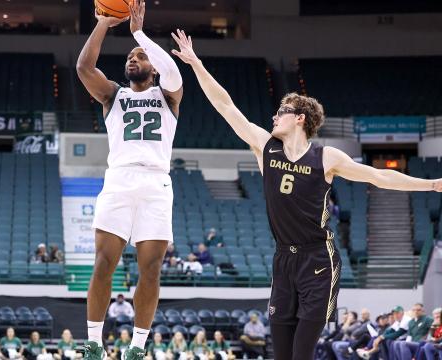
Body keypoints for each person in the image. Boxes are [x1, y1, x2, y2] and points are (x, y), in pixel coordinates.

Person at [169, 29, 442, 360]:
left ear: (299, 118)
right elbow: (225, 105)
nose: (273, 116)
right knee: (281, 352)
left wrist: (430, 184)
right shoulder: (265, 147)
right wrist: (196, 62)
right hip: (284, 258)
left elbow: (379, 175)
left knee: (302, 353)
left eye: (281, 112)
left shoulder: (326, 157)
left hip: (318, 259)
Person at [76, 1, 183, 359]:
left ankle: (137, 347)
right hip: (119, 180)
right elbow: (83, 67)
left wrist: (140, 35)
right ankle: (93, 342)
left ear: (152, 66)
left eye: (140, 57)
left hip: (156, 184)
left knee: (150, 270)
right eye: (130, 57)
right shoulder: (113, 96)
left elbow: (175, 74)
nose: (132, 60)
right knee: (104, 263)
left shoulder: (168, 96)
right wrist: (104, 24)